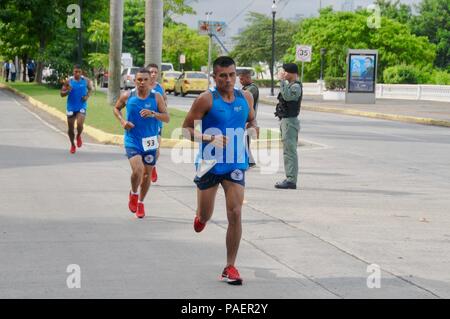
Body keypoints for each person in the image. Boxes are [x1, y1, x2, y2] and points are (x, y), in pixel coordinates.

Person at [182, 56, 258, 285]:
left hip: (235, 162)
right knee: (206, 214)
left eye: (232, 74)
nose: (228, 79)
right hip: (210, 163)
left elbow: (252, 121)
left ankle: (230, 267)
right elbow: (186, 129)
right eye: (222, 75)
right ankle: (200, 218)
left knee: (235, 212)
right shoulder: (205, 100)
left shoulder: (245, 97)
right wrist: (208, 137)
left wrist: (253, 129)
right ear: (214, 77)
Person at [113, 68, 169, 219]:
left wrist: (153, 114)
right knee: (137, 170)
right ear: (134, 81)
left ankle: (141, 202)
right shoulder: (127, 96)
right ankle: (133, 192)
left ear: (149, 80)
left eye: (145, 79)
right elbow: (116, 108)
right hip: (132, 140)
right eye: (139, 80)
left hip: (150, 141)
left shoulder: (156, 97)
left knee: (146, 175)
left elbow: (166, 117)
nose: (142, 82)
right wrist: (123, 121)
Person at [274, 63, 303, 190]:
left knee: (290, 151)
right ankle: (289, 177)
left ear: (291, 73)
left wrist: (281, 81)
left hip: (290, 122)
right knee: (287, 151)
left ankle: (291, 180)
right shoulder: (290, 85)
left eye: (285, 72)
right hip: (286, 121)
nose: (283, 74)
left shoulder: (296, 86)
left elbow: (287, 96)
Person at [60, 65, 93, 154]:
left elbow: (90, 89)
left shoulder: (86, 81)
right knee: (70, 129)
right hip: (71, 107)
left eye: (79, 72)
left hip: (81, 106)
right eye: (75, 72)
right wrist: (68, 91)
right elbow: (61, 94)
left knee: (79, 124)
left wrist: (87, 96)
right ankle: (72, 145)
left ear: (81, 72)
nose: (77, 73)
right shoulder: (69, 81)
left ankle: (78, 136)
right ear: (73, 72)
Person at [146, 63, 168, 184]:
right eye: (151, 72)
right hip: (143, 124)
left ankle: (153, 165)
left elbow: (165, 100)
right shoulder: (142, 86)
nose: (153, 74)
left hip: (157, 122)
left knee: (156, 148)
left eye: (155, 72)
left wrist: (164, 107)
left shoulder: (160, 87)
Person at [238, 69, 259, 168]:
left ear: (248, 77)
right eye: (239, 79)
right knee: (244, 140)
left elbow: (243, 96)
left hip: (249, 119)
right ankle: (249, 161)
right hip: (244, 118)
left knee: (245, 140)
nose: (240, 81)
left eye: (242, 79)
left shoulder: (252, 88)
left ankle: (248, 161)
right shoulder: (246, 87)